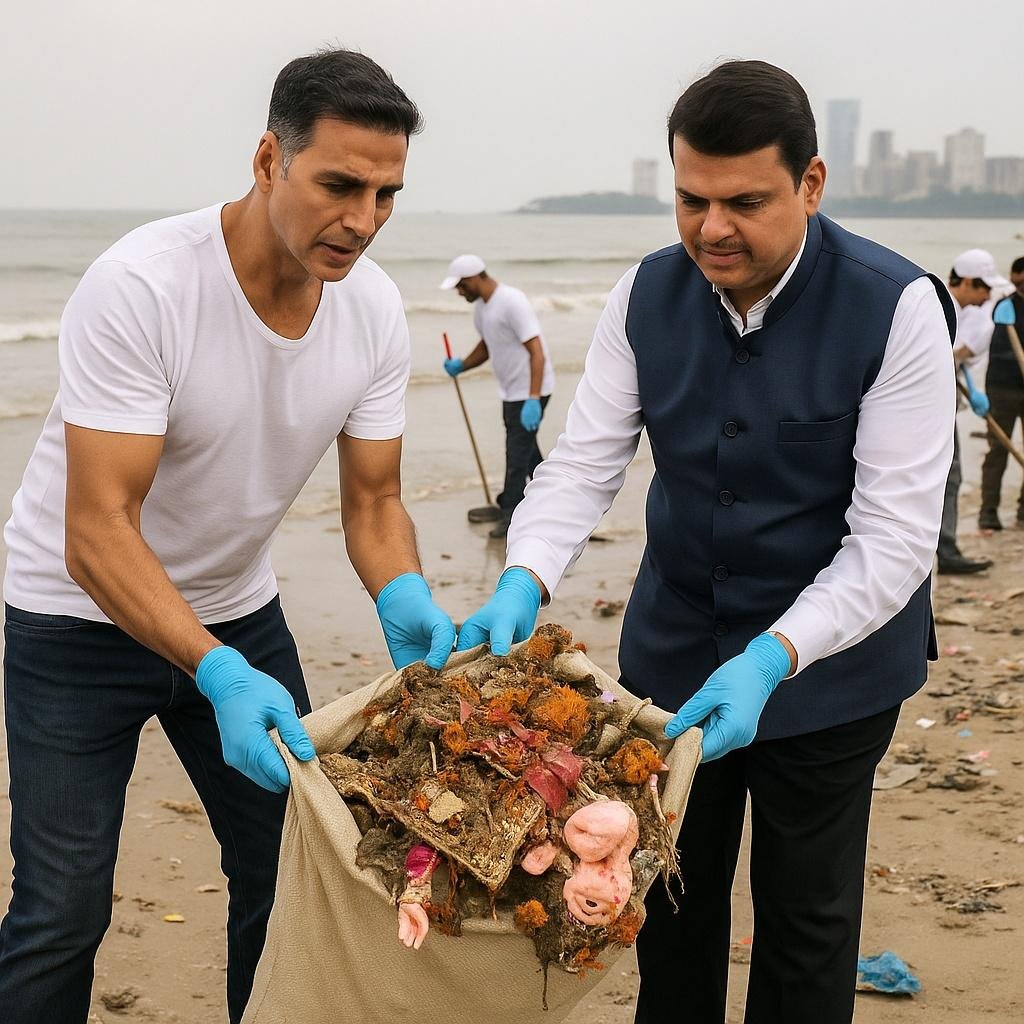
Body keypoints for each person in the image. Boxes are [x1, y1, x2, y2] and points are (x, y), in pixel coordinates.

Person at [455, 60, 956, 1024]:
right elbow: (583, 464)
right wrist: (523, 576)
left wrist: (773, 658)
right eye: (690, 199)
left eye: (745, 202)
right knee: (669, 911)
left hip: (838, 672)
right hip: (676, 658)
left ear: (810, 184)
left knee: (807, 925)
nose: (711, 229)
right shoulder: (645, 294)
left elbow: (894, 540)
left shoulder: (897, 308)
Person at [0, 49, 455, 1024]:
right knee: (61, 909)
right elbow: (96, 530)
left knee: (291, 873)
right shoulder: (145, 286)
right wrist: (214, 672)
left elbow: (372, 503)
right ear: (267, 159)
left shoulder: (371, 310)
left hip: (240, 615)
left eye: (386, 194)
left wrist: (403, 593)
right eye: (339, 184)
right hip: (75, 622)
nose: (364, 220)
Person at [440, 255, 554, 539]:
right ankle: (550, 501)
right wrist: (461, 365)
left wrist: (533, 398)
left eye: (461, 286)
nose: (459, 292)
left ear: (475, 278)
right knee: (527, 452)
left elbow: (536, 351)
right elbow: (487, 346)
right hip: (511, 390)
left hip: (531, 389)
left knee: (515, 455)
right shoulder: (482, 308)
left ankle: (511, 515)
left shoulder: (512, 301)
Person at [937, 250, 1008, 571]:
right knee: (949, 477)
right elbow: (945, 356)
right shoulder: (937, 308)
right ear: (966, 281)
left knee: (948, 476)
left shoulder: (958, 310)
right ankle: (946, 552)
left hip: (942, 403)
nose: (988, 295)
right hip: (931, 409)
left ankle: (943, 548)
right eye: (984, 288)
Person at [979, 256, 1024, 530]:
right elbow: (994, 348)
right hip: (1002, 389)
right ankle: (988, 513)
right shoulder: (1004, 308)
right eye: (1018, 279)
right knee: (998, 451)